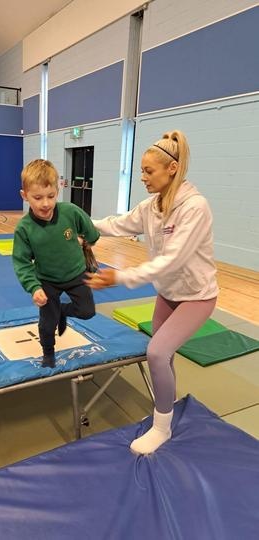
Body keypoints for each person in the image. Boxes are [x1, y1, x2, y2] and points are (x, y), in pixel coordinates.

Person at [85, 130, 218, 455]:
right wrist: (79, 221)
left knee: (157, 352)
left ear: (172, 169)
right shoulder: (151, 206)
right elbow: (117, 224)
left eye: (148, 171)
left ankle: (162, 429)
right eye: (142, 171)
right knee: (164, 355)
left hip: (196, 295)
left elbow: (171, 261)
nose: (142, 177)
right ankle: (166, 407)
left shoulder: (195, 207)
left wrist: (121, 277)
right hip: (168, 293)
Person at [12, 159, 100, 368]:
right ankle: (48, 354)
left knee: (87, 312)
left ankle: (61, 310)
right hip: (47, 280)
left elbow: (92, 233)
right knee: (46, 324)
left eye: (51, 196)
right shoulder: (24, 228)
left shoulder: (70, 211)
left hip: (76, 274)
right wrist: (34, 287)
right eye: (37, 198)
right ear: (24, 196)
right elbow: (22, 262)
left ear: (58, 191)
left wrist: (86, 239)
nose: (45, 203)